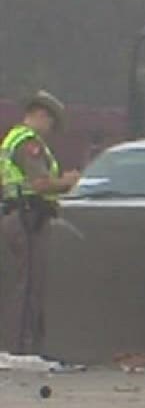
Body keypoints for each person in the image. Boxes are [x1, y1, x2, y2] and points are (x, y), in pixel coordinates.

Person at [0, 91, 81, 355]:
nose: (51, 130)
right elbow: (40, 183)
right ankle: (21, 349)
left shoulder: (13, 138)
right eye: (51, 123)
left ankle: (24, 346)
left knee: (28, 283)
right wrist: (67, 182)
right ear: (41, 115)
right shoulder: (29, 143)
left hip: (19, 216)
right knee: (29, 286)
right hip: (28, 218)